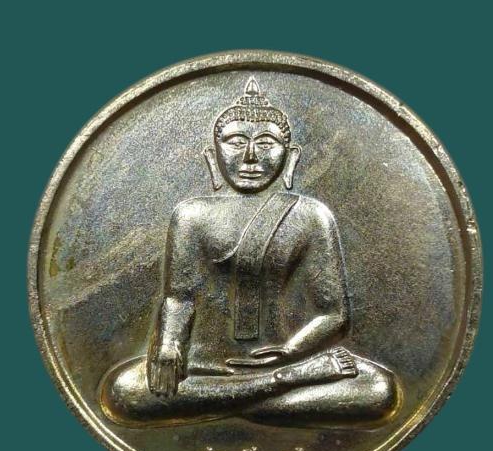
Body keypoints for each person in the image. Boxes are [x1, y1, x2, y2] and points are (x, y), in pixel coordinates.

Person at [100, 78, 400, 428]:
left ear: (291, 156)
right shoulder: (192, 215)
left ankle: (230, 399)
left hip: (286, 358)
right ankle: (280, 386)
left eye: (266, 143)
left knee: (380, 391)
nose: (250, 157)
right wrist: (169, 345)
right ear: (213, 155)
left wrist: (290, 352)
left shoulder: (310, 215)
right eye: (236, 141)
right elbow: (180, 297)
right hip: (204, 367)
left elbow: (333, 314)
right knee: (124, 392)